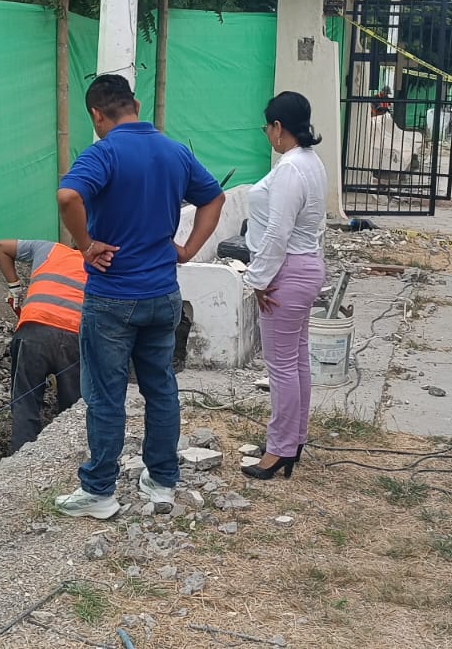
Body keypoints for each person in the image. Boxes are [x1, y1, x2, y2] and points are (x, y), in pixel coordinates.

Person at [54, 74, 225, 519]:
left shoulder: (104, 153)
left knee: (106, 395)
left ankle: (99, 492)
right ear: (137, 105)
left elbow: (68, 196)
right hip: (163, 294)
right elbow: (214, 199)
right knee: (161, 388)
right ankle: (162, 480)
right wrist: (188, 249)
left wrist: (86, 245)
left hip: (112, 297)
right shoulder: (175, 152)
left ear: (96, 114)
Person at [242, 92, 328, 481]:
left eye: (267, 127)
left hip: (286, 271)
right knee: (295, 360)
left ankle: (279, 449)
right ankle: (292, 440)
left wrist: (258, 279)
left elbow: (278, 231)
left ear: (278, 127)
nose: (267, 135)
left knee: (281, 366)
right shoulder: (310, 162)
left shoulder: (292, 167)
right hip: (303, 266)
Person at [0, 236, 86, 453]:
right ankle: (67, 455)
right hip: (74, 338)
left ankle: (20, 458)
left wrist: (15, 287)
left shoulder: (48, 248)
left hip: (33, 331)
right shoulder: (102, 265)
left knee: (25, 403)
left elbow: (1, 246)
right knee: (73, 408)